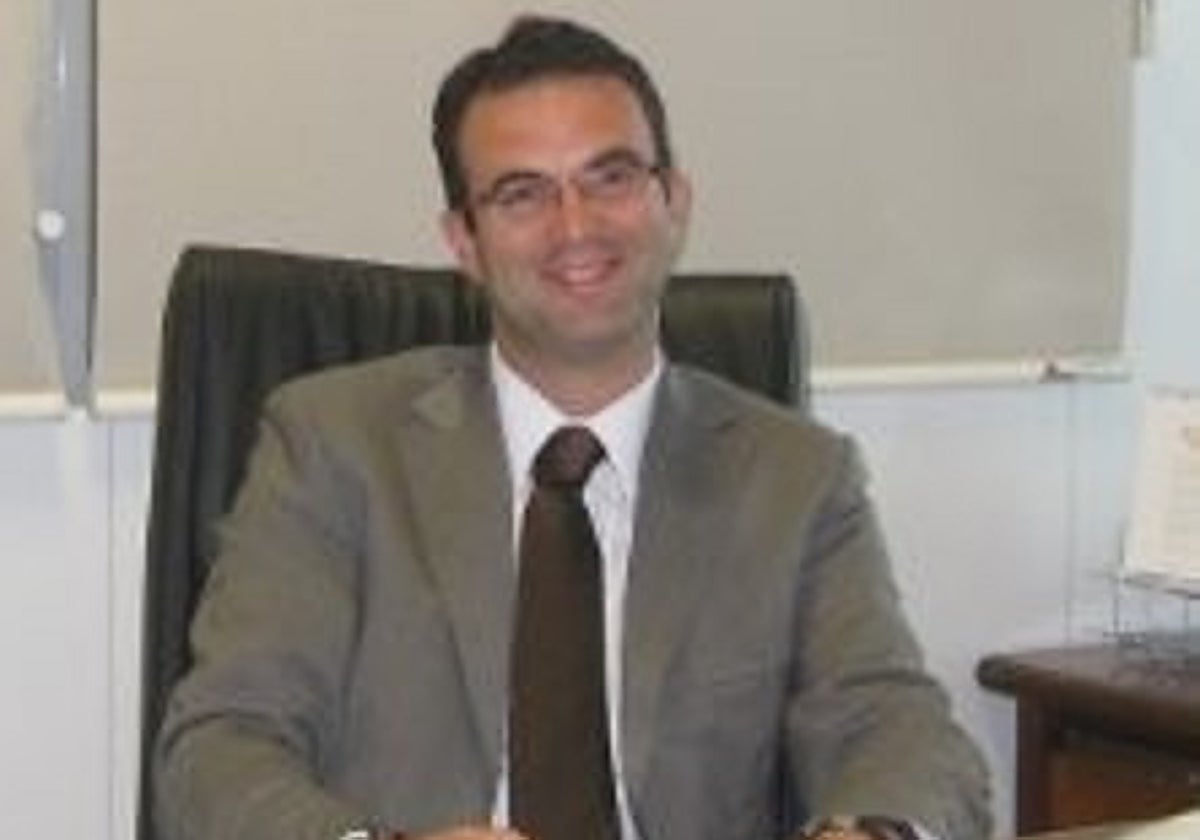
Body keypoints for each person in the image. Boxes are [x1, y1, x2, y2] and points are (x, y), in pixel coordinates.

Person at [154, 15, 991, 840]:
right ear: (464, 241)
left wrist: (875, 832)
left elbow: (904, 734)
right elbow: (218, 749)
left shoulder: (795, 477)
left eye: (611, 177)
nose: (577, 227)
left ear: (674, 202)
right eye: (522, 194)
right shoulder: (334, 446)